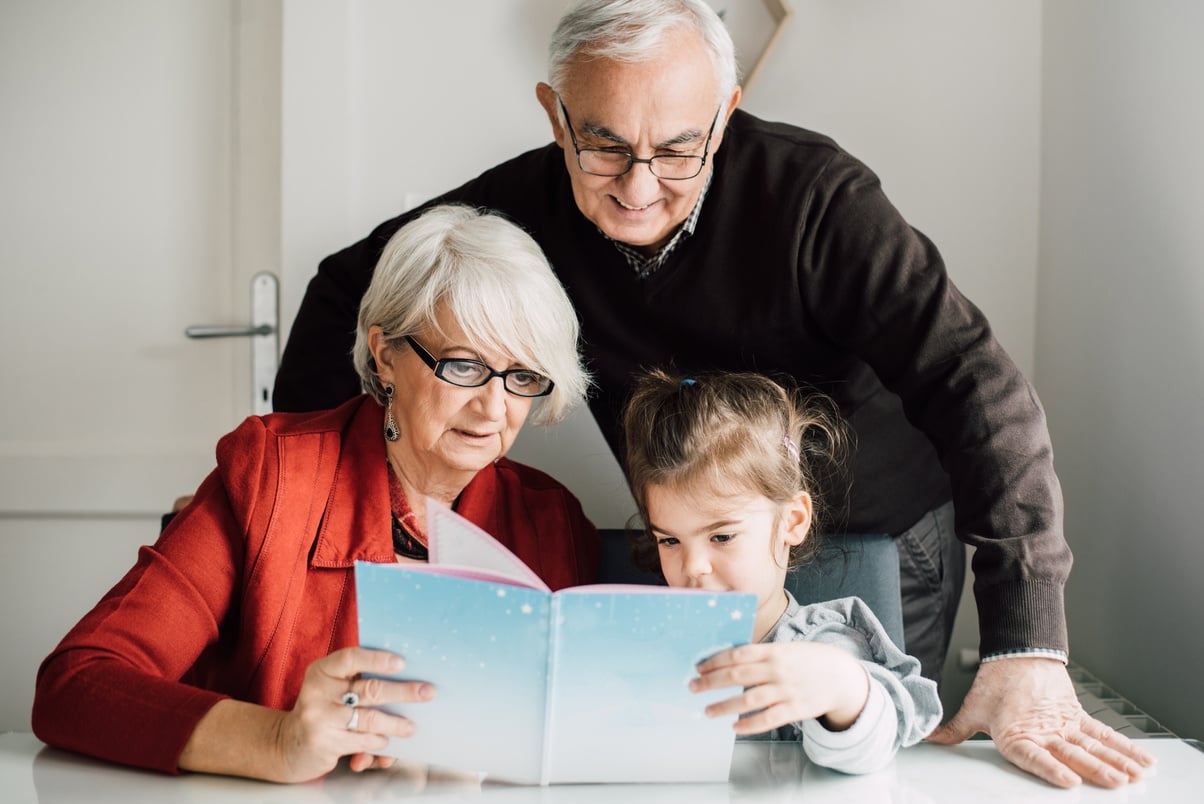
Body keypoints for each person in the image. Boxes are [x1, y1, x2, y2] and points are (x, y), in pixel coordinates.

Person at [272, 0, 1155, 788]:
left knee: (851, 761)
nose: (638, 187)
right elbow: (347, 287)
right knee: (689, 756)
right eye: (604, 145)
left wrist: (1025, 641)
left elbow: (976, 384)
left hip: (879, 527)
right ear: (555, 115)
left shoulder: (819, 200)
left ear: (724, 119)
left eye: (678, 150)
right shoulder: (518, 205)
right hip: (688, 539)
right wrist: (296, 484)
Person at [32, 205, 598, 783]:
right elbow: (77, 683)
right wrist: (277, 740)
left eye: (522, 376)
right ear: (385, 356)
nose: (494, 407)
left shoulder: (551, 520)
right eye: (463, 366)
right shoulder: (272, 478)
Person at [623, 369, 941, 774]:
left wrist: (846, 690)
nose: (693, 568)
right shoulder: (652, 640)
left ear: (792, 521)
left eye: (721, 537)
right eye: (670, 541)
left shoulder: (824, 643)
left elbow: (871, 750)